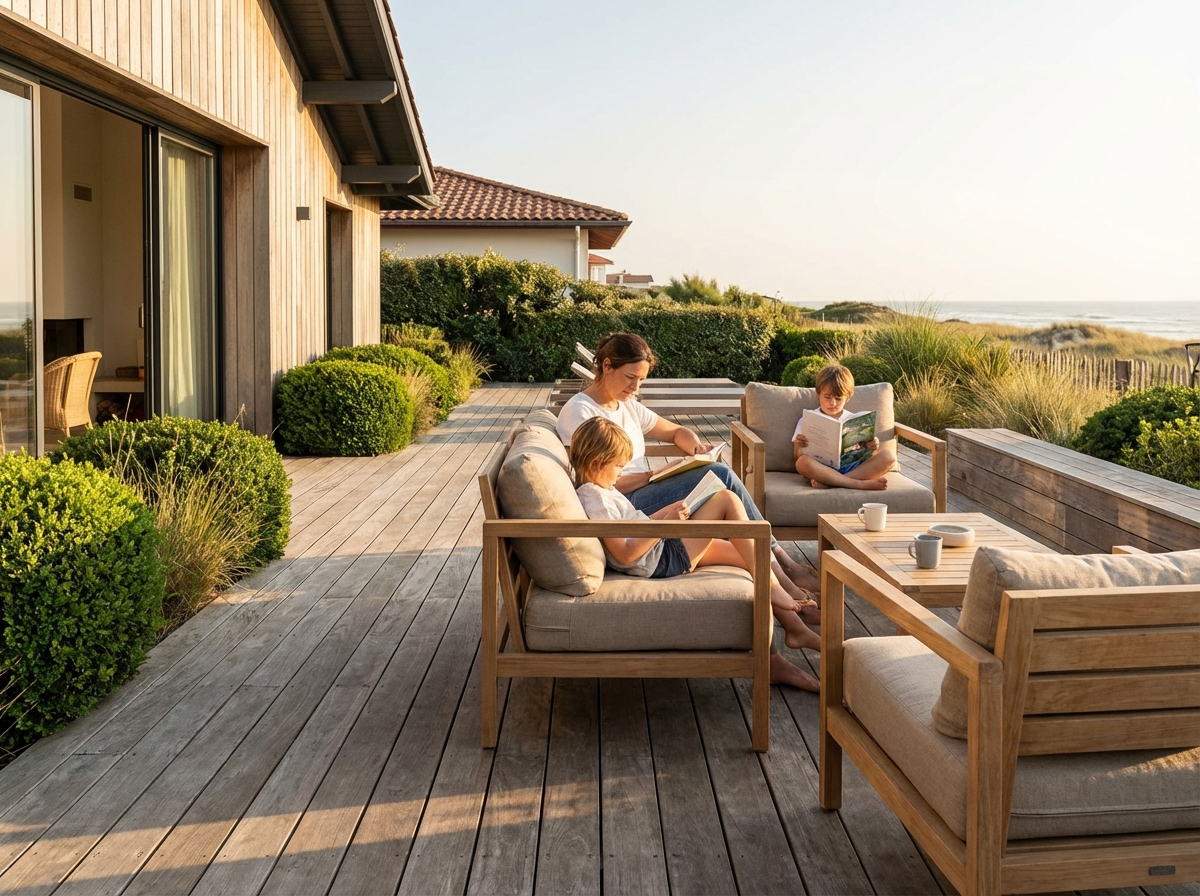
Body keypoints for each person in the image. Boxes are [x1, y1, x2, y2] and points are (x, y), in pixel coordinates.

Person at [556, 332, 822, 613]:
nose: (635, 387)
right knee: (720, 476)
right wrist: (654, 475)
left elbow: (674, 432)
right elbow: (593, 476)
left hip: (638, 499)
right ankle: (783, 564)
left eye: (641, 380)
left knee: (716, 475)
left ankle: (784, 588)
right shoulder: (581, 412)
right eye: (630, 377)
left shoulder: (627, 404)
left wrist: (695, 448)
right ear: (607, 366)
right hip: (625, 498)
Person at [570, 417, 820, 692]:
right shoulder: (595, 499)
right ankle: (774, 591)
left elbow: (634, 524)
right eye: (619, 465)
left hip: (659, 546)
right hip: (660, 558)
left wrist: (668, 512)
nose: (622, 472)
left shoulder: (602, 490)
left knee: (750, 556)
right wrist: (667, 524)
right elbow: (626, 554)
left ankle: (795, 631)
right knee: (726, 499)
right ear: (597, 463)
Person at [793, 363, 896, 490]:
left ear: (847, 397)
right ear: (819, 393)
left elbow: (867, 454)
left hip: (853, 467)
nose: (833, 403)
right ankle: (859, 484)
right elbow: (797, 457)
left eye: (838, 398)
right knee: (802, 463)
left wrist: (873, 446)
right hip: (822, 469)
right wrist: (798, 445)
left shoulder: (854, 420)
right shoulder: (808, 419)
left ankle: (831, 483)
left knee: (888, 457)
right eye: (827, 397)